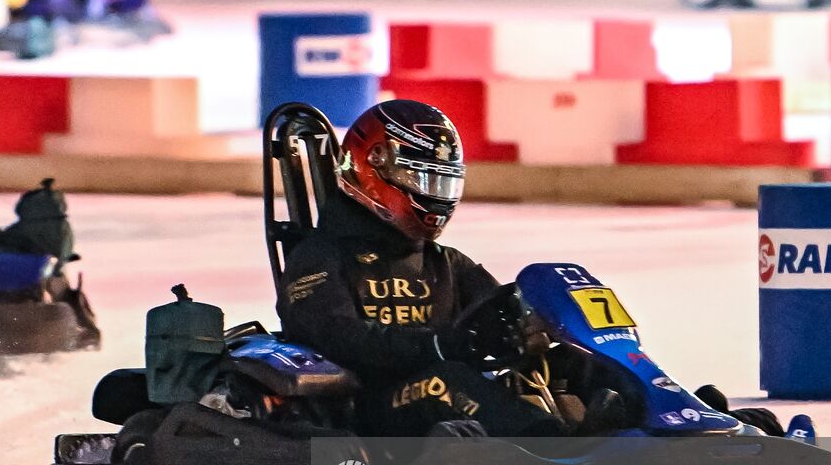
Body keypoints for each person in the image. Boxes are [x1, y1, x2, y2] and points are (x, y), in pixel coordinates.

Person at [275, 100, 786, 439]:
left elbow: (498, 309)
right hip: (368, 410)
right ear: (374, 167)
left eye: (442, 181)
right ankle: (557, 452)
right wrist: (440, 346)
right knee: (447, 379)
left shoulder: (445, 264)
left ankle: (686, 422)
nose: (434, 196)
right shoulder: (319, 260)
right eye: (421, 178)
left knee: (572, 359)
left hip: (450, 397)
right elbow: (338, 341)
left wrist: (530, 330)